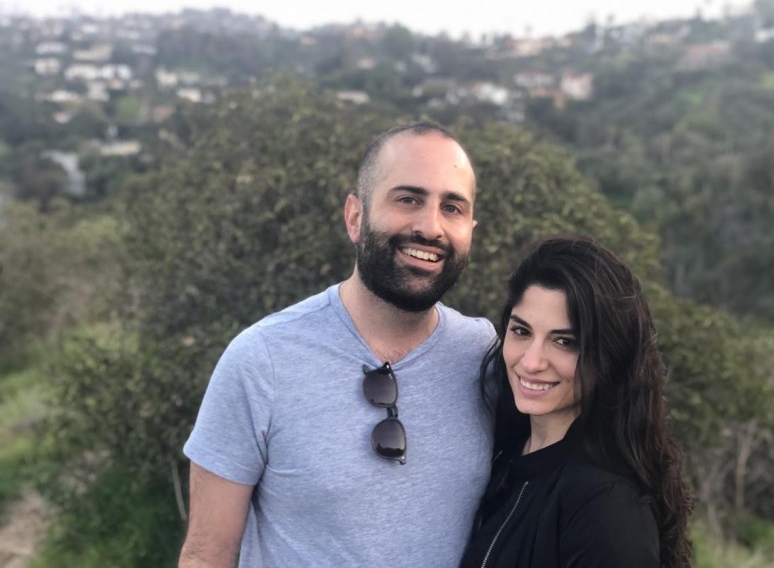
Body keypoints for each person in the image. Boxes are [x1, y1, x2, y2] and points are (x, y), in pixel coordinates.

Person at [178, 121, 496, 568]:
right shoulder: (262, 360)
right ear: (355, 217)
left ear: (470, 230)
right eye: (408, 199)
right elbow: (206, 556)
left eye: (453, 208)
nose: (431, 226)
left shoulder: (489, 357)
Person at [460, 235, 693, 568]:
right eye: (522, 332)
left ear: (608, 355)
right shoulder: (504, 451)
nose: (531, 361)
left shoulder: (606, 505)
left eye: (565, 341)